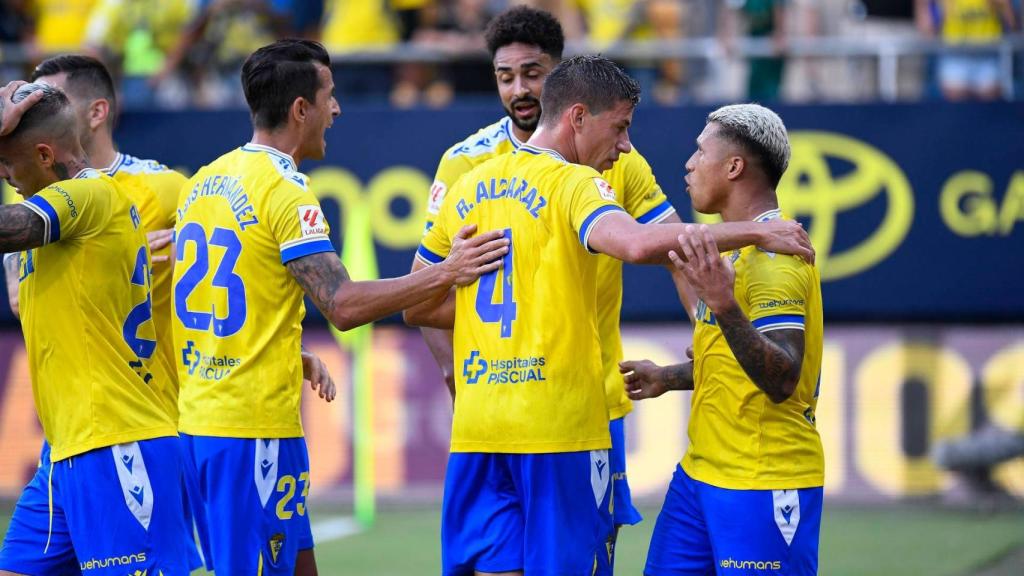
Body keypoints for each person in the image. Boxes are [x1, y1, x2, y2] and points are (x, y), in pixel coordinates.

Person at [418, 6, 813, 570]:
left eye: (533, 73)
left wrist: (477, 364)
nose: (520, 88)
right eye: (506, 75)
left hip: (494, 417)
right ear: (578, 113)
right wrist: (756, 230)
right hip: (567, 416)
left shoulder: (469, 175)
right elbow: (647, 244)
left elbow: (422, 296)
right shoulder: (577, 179)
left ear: (558, 79)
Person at [172, 38, 508, 574]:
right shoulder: (284, 190)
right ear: (300, 108)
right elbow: (344, 306)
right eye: (329, 96)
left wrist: (291, 352)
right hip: (248, 433)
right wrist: (448, 271)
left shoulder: (204, 182)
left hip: (205, 422)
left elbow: (218, 294)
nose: (337, 109)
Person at [620, 104, 825, 575]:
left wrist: (725, 305)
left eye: (700, 151)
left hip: (762, 479)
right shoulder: (740, 247)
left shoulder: (777, 260)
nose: (689, 164)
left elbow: (782, 377)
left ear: (734, 167)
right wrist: (669, 377)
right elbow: (739, 360)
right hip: (699, 475)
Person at [0, 81, 192, 575]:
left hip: (117, 443)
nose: (5, 175)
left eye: (7, 163)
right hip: (66, 451)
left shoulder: (85, 195)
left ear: (44, 155)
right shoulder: (77, 209)